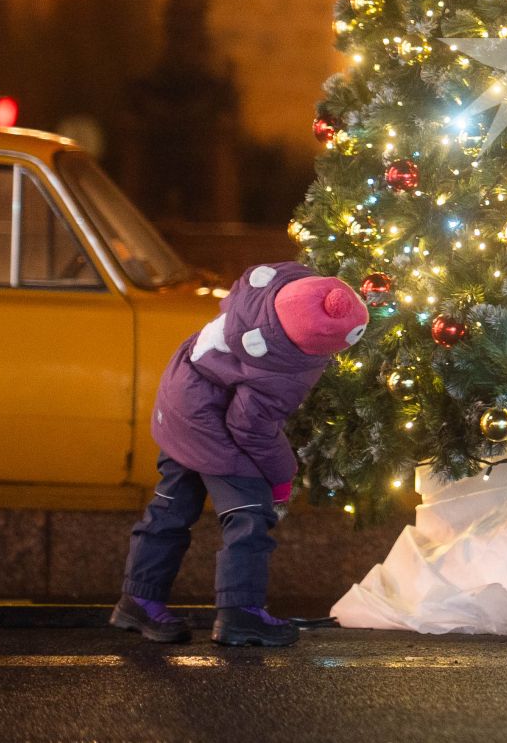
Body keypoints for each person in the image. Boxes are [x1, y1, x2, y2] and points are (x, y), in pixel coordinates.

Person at [111, 262, 368, 647]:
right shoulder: (282, 370)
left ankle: (138, 600)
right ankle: (240, 614)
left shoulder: (264, 293)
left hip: (181, 398)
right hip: (210, 423)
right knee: (248, 515)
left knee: (171, 507)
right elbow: (249, 426)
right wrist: (282, 476)